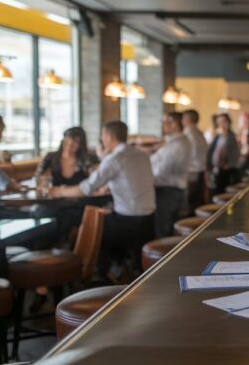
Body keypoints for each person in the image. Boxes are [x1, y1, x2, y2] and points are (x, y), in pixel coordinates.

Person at [50, 120, 156, 276]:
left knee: (91, 226)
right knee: (104, 216)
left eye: (102, 136)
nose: (102, 140)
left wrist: (59, 192)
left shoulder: (114, 159)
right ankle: (120, 265)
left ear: (108, 136)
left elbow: (85, 188)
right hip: (150, 220)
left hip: (127, 222)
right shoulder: (141, 154)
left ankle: (99, 272)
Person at [150, 112, 191, 237]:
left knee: (163, 231)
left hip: (169, 192)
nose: (162, 125)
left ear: (174, 124)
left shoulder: (177, 145)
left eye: (165, 122)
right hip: (170, 190)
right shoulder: (175, 141)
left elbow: (161, 172)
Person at [206, 113, 240, 195]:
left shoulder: (231, 136)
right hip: (216, 169)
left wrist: (228, 165)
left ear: (228, 122)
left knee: (222, 193)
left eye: (224, 121)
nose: (222, 124)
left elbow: (235, 154)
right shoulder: (218, 136)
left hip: (226, 170)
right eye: (219, 122)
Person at [182, 109, 208, 211]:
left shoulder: (189, 134)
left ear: (188, 119)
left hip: (192, 171)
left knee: (190, 202)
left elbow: (189, 156)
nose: (182, 120)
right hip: (200, 170)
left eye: (183, 118)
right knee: (196, 201)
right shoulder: (199, 133)